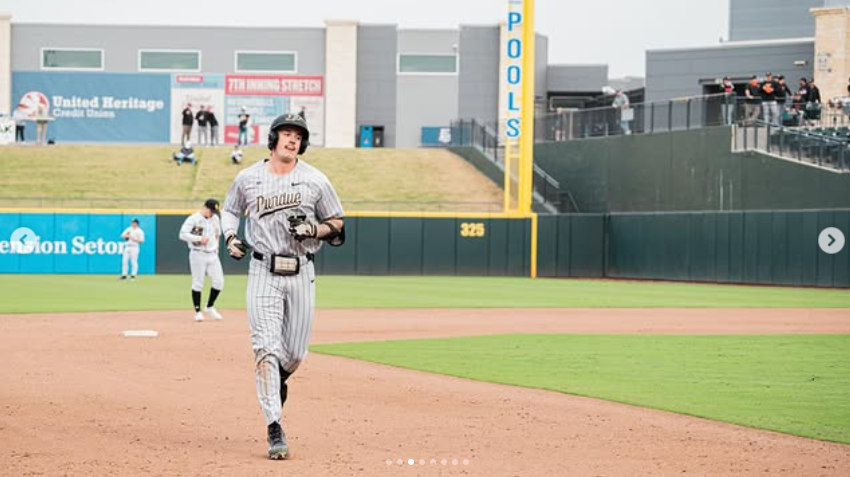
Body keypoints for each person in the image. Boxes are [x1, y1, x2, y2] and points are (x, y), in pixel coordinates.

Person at [221, 113, 345, 460]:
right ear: (274, 139)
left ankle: (278, 380)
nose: (292, 140)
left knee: (294, 353)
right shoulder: (248, 178)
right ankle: (274, 426)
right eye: (286, 134)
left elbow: (336, 222)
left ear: (303, 144)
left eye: (298, 136)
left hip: (302, 270)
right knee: (265, 348)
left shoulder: (316, 180)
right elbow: (229, 211)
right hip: (262, 269)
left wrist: (314, 230)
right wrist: (230, 237)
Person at [179, 199, 225, 322]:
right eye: (211, 210)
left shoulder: (215, 218)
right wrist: (199, 238)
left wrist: (217, 249)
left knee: (219, 281)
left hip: (212, 254)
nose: (213, 213)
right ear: (205, 207)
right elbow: (182, 234)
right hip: (197, 253)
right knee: (198, 283)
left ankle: (209, 306)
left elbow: (217, 234)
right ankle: (198, 311)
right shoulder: (193, 219)